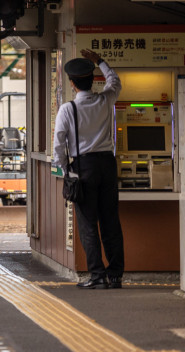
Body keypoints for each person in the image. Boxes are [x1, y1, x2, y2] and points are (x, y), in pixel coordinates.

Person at [53, 49, 124, 289]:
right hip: (107, 164)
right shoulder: (105, 100)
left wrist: (66, 171)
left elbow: (58, 144)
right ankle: (115, 275)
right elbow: (115, 81)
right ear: (93, 81)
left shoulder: (68, 109)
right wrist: (100, 61)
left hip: (83, 167)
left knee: (87, 223)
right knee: (110, 221)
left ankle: (97, 275)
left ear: (72, 84)